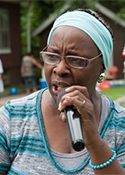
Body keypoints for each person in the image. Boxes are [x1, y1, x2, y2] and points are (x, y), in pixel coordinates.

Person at [0, 9, 125, 175]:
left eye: (76, 60)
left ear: (102, 66)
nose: (60, 69)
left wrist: (94, 141)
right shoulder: (12, 118)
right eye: (52, 56)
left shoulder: (120, 126)